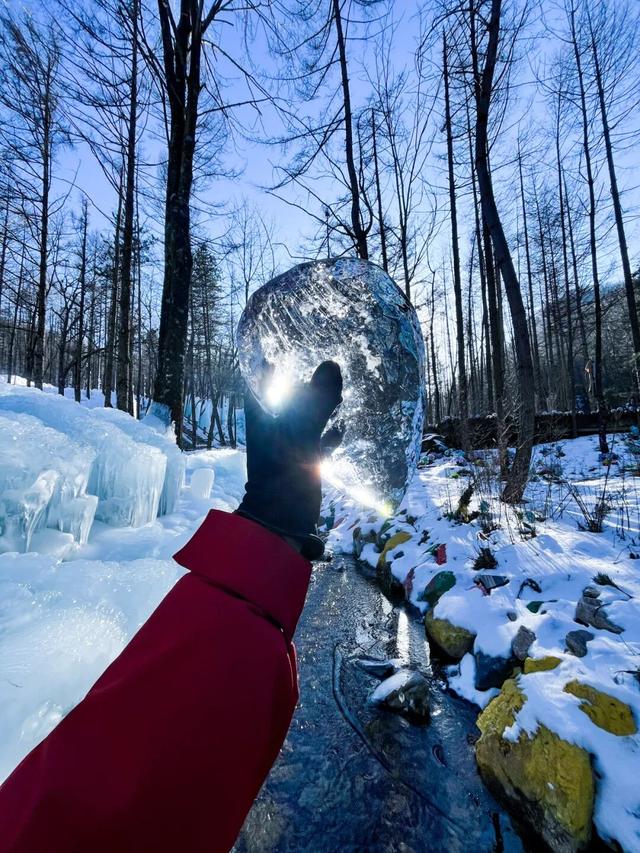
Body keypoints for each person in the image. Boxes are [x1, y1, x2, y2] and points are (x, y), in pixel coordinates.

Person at [0, 361, 343, 853]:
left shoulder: (258, 648)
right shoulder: (261, 654)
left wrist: (265, 538)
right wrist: (271, 538)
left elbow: (99, 787)